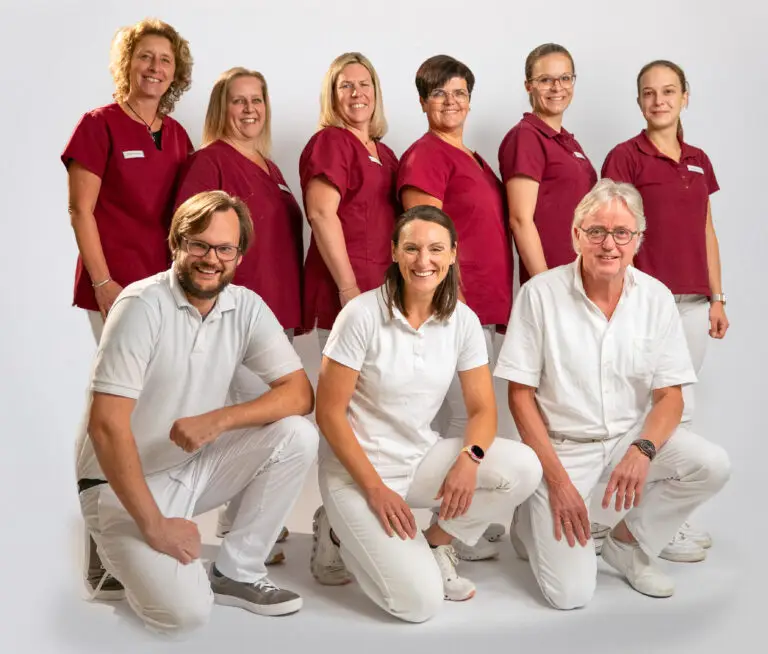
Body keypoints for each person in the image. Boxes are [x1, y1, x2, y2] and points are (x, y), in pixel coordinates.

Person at [76, 191, 318, 634]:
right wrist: (156, 527)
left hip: (188, 469)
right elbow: (106, 426)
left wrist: (219, 419)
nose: (211, 259)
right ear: (176, 243)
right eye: (199, 245)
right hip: (118, 482)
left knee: (297, 435)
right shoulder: (141, 305)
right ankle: (111, 548)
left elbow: (300, 395)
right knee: (185, 614)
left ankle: (237, 572)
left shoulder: (245, 306)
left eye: (225, 248)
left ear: (239, 256)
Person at [494, 179, 730, 609]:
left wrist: (643, 449)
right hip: (563, 448)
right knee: (570, 595)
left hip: (628, 440)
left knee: (710, 465)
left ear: (638, 239)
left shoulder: (656, 298)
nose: (609, 244)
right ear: (576, 235)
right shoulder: (540, 294)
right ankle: (531, 516)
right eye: (597, 231)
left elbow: (671, 396)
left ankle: (628, 543)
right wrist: (558, 483)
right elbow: (520, 396)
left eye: (622, 233)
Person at [309, 205, 541, 621]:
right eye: (412, 248)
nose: (423, 260)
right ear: (394, 252)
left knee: (523, 467)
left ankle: (436, 543)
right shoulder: (360, 315)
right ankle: (336, 531)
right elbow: (328, 414)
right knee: (419, 605)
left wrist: (470, 459)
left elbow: (482, 409)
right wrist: (375, 489)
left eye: (436, 249)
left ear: (452, 254)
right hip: (356, 474)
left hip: (419, 459)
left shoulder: (462, 321)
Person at [62, 17, 194, 600]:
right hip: (115, 290)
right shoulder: (98, 125)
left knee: (143, 411)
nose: (155, 68)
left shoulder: (178, 135)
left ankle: (130, 534)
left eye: (165, 60)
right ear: (128, 63)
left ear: (175, 71)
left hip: (164, 292)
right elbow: (80, 210)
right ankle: (101, 547)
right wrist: (103, 282)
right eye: (145, 57)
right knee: (114, 411)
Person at [595, 60, 729, 562]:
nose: (659, 101)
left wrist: (717, 297)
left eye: (669, 91)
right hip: (648, 302)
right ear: (639, 101)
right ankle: (637, 524)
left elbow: (706, 230)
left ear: (684, 97)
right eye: (649, 93)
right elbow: (612, 231)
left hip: (694, 304)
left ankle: (668, 515)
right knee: (648, 411)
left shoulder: (698, 159)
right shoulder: (625, 157)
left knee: (682, 409)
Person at [175, 67, 305, 563]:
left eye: (257, 100)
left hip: (276, 312)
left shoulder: (270, 168)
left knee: (266, 420)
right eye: (238, 100)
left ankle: (239, 517)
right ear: (221, 108)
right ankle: (241, 529)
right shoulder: (210, 162)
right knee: (264, 420)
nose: (249, 109)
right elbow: (190, 240)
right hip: (236, 312)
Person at [397, 54, 514, 560]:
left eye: (460, 93)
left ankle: (455, 523)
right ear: (423, 102)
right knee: (463, 421)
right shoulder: (425, 157)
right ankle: (441, 537)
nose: (451, 102)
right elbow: (427, 245)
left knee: (471, 420)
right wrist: (456, 307)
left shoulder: (475, 159)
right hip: (455, 309)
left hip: (484, 307)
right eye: (439, 93)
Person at [299, 52, 399, 351]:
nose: (357, 93)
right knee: (347, 381)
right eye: (346, 86)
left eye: (364, 84)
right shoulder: (331, 142)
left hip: (385, 292)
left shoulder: (386, 155)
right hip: (347, 291)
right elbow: (321, 214)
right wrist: (348, 288)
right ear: (332, 96)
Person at [499, 43, 597, 286]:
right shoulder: (526, 137)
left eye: (565, 78)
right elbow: (520, 220)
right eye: (545, 80)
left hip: (585, 275)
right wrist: (545, 287)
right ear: (528, 85)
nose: (557, 87)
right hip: (556, 281)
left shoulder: (567, 142)